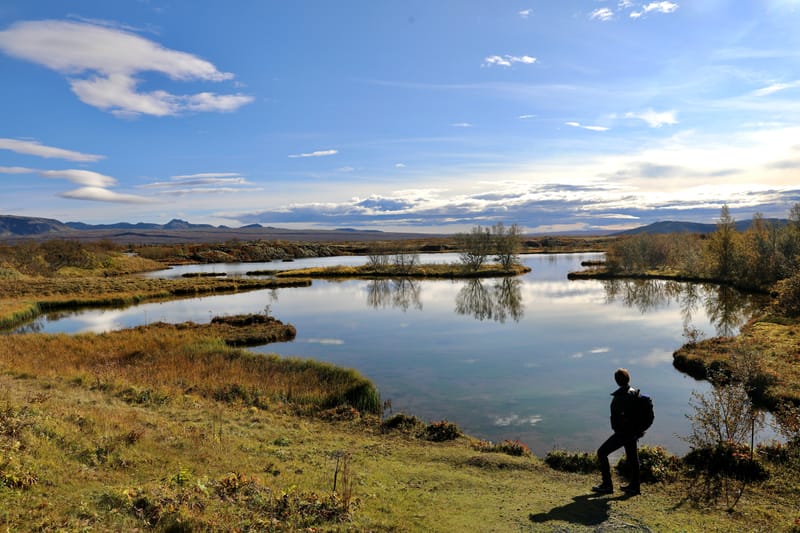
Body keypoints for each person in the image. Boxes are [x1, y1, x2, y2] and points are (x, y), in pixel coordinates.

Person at [592, 367, 641, 496]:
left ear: (617, 381)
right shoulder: (635, 393)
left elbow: (618, 417)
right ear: (628, 379)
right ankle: (635, 487)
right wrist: (638, 431)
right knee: (632, 459)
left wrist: (619, 430)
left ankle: (607, 485)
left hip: (623, 433)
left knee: (602, 452)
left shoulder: (620, 397)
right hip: (633, 433)